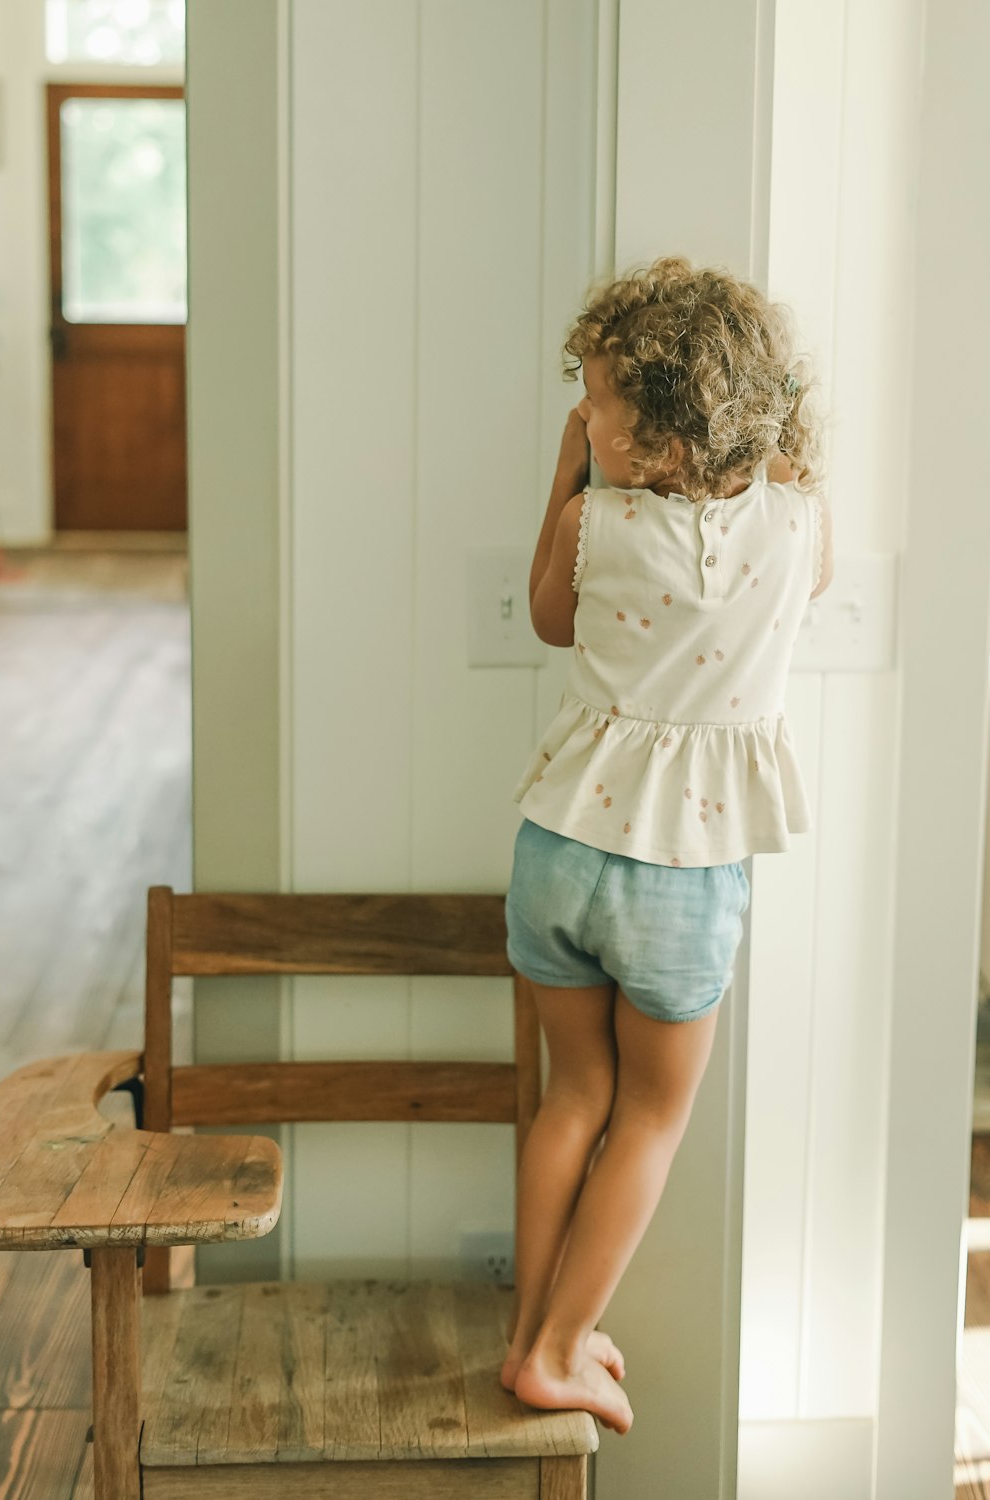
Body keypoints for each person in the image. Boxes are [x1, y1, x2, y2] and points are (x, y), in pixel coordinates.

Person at [501, 255, 834, 1434]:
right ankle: (555, 1349)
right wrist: (783, 453)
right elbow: (816, 565)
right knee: (648, 1115)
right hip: (680, 881)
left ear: (667, 444)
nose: (582, 417)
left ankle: (531, 1338)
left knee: (571, 1098)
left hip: (556, 852)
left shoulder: (593, 521)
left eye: (599, 405)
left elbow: (546, 621)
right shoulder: (794, 524)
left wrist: (563, 477)